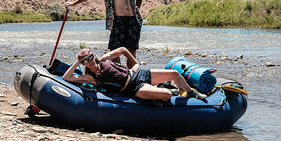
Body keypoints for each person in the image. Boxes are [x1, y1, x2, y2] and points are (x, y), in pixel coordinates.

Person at [63, 47, 207, 101]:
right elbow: (67, 77)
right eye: (86, 62)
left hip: (139, 75)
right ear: (84, 64)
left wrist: (134, 63)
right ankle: (172, 91)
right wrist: (77, 62)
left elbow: (123, 50)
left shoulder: (103, 59)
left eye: (90, 59)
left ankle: (191, 92)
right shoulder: (91, 77)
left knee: (175, 73)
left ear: (93, 57)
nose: (90, 63)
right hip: (133, 88)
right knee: (167, 95)